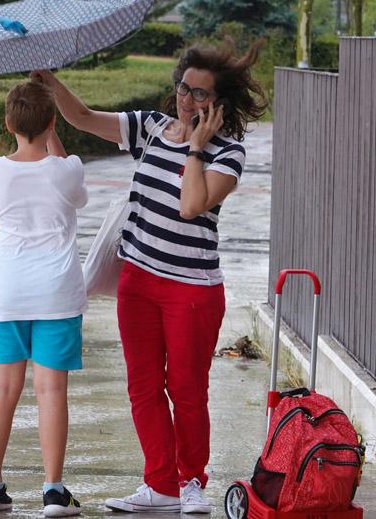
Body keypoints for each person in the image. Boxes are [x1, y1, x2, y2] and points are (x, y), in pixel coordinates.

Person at [31, 40, 267, 514]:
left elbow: (191, 205)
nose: (188, 100)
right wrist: (47, 77)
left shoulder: (229, 152)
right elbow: (80, 117)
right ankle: (159, 485)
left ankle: (191, 482)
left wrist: (196, 148)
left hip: (193, 290)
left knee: (186, 388)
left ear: (218, 103)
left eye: (201, 94)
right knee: (142, 386)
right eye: (184, 88)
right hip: (138, 282)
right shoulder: (151, 128)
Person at [0, 81, 88, 517]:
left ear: (7, 123)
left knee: (2, 387)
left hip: (6, 291)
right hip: (56, 292)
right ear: (52, 122)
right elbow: (73, 190)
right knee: (51, 388)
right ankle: (54, 491)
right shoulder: (67, 169)